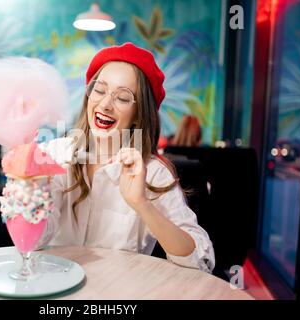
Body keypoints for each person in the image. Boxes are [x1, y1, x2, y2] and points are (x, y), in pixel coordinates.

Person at [39, 42, 215, 273]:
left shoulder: (153, 173)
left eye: (122, 98)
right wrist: (33, 193)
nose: (105, 104)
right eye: (99, 90)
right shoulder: (53, 155)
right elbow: (34, 243)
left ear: (138, 114)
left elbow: (202, 263)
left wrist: (141, 204)